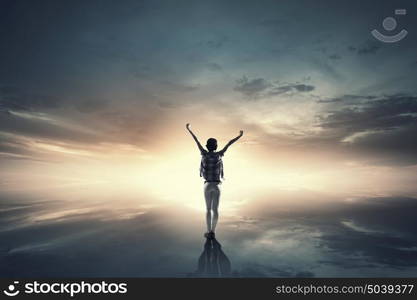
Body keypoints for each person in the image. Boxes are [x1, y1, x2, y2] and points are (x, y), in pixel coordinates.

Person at [186, 123, 243, 239]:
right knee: (215, 209)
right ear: (216, 146)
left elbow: (196, 140)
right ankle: (213, 231)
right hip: (217, 185)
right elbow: (229, 143)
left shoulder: (204, 153)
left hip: (207, 185)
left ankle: (208, 231)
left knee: (207, 209)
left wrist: (189, 129)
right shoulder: (219, 154)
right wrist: (240, 136)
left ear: (207, 146)